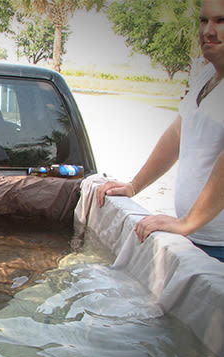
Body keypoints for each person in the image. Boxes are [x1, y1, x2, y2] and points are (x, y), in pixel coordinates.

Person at [96, 0, 224, 262]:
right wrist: (133, 186)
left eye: (221, 21)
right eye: (204, 20)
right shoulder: (204, 77)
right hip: (193, 240)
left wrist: (188, 222)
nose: (208, 31)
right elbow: (177, 135)